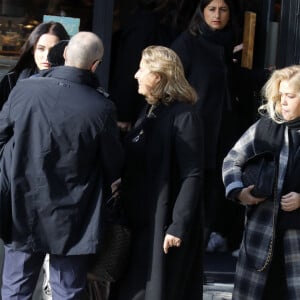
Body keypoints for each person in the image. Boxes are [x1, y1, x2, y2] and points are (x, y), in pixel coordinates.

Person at [0, 31, 123, 299]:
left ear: (64, 54)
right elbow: (113, 165)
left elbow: (1, 137)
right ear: (95, 65)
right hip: (74, 215)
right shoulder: (101, 107)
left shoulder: (24, 90)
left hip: (23, 206)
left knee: (15, 289)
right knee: (67, 291)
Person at [109, 45, 204, 300]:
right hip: (139, 221)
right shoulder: (150, 111)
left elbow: (192, 174)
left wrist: (178, 225)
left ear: (158, 77)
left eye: (142, 69)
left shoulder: (184, 116)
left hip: (163, 225)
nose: (136, 75)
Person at [171, 0, 266, 252]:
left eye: (223, 9)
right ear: (201, 12)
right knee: (193, 180)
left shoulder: (225, 44)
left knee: (216, 183)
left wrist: (269, 76)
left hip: (221, 127)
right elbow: (172, 82)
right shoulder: (187, 43)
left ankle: (207, 237)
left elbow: (233, 80)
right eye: (212, 9)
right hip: (195, 126)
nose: (217, 15)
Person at [222, 65, 300, 299]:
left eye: (291, 96)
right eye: (280, 95)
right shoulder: (265, 126)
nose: (283, 102)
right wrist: (239, 191)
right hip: (260, 236)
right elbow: (232, 159)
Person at [0, 21, 70, 110]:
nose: (46, 56)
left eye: (53, 49)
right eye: (41, 48)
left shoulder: (71, 84)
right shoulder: (12, 80)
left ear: (64, 51)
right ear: (32, 49)